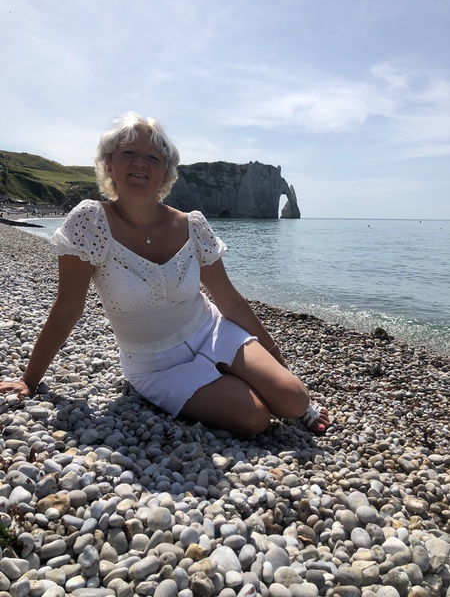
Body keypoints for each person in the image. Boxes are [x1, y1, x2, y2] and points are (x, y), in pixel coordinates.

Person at [0, 112, 329, 436]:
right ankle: (233, 383)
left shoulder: (192, 225)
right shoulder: (90, 222)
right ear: (109, 165)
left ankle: (248, 379)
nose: (140, 163)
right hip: (154, 364)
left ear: (165, 173)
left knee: (294, 399)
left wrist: (276, 360)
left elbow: (228, 299)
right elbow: (67, 308)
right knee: (254, 418)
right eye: (129, 153)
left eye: (153, 158)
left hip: (211, 331)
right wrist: (29, 380)